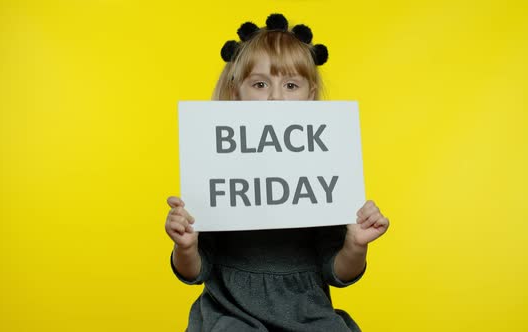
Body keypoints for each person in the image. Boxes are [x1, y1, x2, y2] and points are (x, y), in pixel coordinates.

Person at [165, 14, 390, 331]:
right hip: (230, 313)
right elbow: (194, 272)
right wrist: (185, 246)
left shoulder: (326, 166)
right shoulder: (215, 164)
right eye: (260, 84)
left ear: (310, 95)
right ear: (235, 92)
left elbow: (338, 273)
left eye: (291, 85)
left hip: (308, 312)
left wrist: (356, 244)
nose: (275, 97)